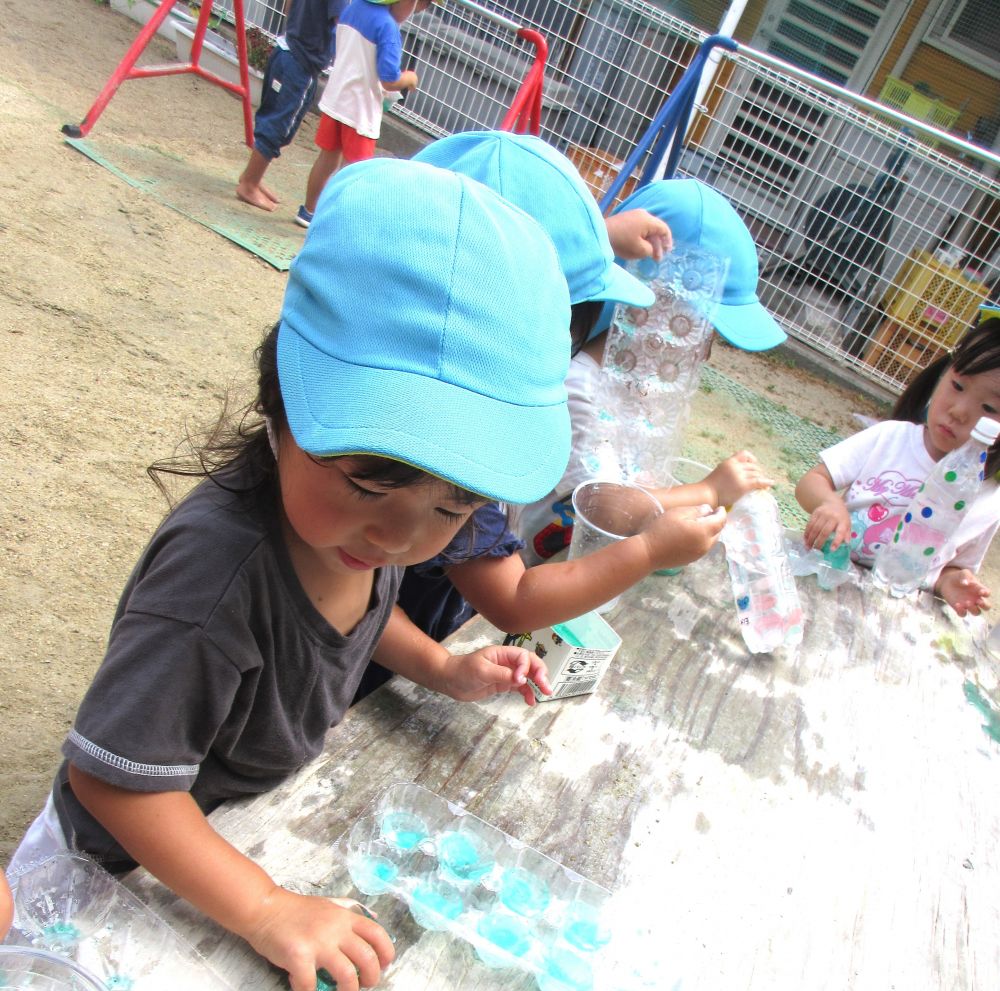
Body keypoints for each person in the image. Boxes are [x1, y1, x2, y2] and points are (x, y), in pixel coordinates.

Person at [7, 159, 574, 991]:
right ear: (281, 399)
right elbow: (112, 782)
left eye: (453, 509)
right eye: (368, 483)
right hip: (117, 875)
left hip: (238, 826)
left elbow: (355, 616)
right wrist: (266, 907)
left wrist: (444, 667)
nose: (399, 538)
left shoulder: (349, 542)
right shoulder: (216, 578)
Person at [354, 133, 758, 699]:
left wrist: (601, 239)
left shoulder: (409, 404)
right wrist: (648, 550)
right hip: (365, 682)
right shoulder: (449, 458)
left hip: (413, 648)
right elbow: (513, 597)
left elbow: (355, 602)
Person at [515, 173, 784, 568]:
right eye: (700, 333)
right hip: (530, 580)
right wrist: (709, 490)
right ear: (653, 312)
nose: (705, 355)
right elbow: (606, 508)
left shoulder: (636, 393)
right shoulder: (578, 389)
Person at [795, 318, 1000, 616]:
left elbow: (953, 566)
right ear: (941, 374)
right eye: (957, 385)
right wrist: (829, 504)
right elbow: (812, 480)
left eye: (990, 409)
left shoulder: (989, 499)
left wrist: (954, 583)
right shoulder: (890, 438)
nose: (958, 411)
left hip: (892, 613)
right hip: (824, 577)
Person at [295, 0, 427, 226]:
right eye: (418, 5)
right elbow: (389, 79)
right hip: (361, 110)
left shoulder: (353, 8)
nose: (415, 12)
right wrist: (410, 78)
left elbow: (338, 45)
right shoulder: (388, 27)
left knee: (327, 158)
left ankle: (308, 210)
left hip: (336, 97)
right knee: (355, 172)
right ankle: (336, 224)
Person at [236, 0, 342, 212]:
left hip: (286, 49)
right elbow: (345, 27)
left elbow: (288, 6)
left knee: (274, 118)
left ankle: (251, 177)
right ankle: (249, 183)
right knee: (279, 126)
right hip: (301, 62)